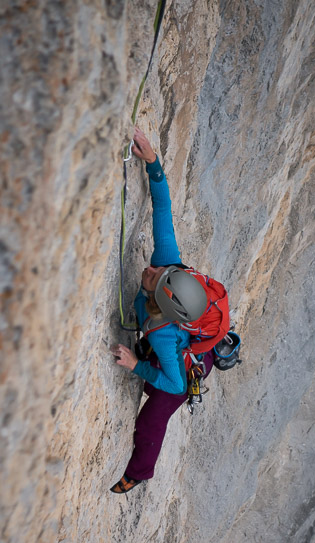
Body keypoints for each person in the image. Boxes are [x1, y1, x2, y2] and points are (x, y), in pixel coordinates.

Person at [110, 127, 216, 494]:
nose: (151, 268)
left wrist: (136, 365)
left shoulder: (164, 332)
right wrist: (153, 164)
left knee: (153, 418)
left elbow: (173, 382)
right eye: (160, 270)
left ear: (162, 303)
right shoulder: (170, 266)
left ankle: (139, 472)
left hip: (191, 362)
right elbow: (163, 210)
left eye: (154, 276)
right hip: (188, 334)